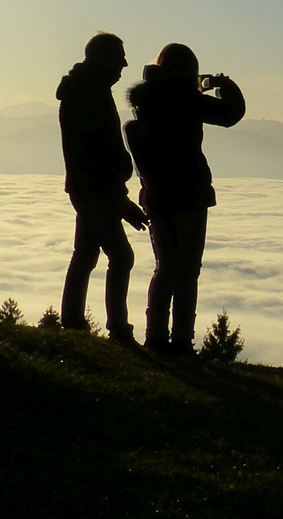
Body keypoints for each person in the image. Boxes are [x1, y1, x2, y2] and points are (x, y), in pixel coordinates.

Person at [125, 43, 246, 354]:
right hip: (190, 190)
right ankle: (181, 340)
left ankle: (155, 337)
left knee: (165, 267)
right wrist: (223, 85)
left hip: (156, 192)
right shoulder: (186, 98)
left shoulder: (146, 102)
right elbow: (231, 115)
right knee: (188, 268)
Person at [57, 32, 145, 345]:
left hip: (88, 188)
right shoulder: (90, 92)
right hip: (95, 189)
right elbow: (96, 153)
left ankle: (73, 323)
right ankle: (118, 330)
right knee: (121, 257)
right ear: (103, 58)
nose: (125, 63)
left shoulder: (84, 89)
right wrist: (120, 200)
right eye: (119, 55)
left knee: (85, 255)